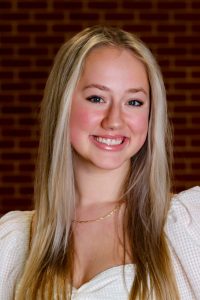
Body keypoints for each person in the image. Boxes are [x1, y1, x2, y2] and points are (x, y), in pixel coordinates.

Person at [0, 26, 199, 300]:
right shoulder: (12, 242)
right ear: (63, 103)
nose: (114, 120)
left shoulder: (189, 225)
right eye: (97, 98)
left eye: (134, 101)